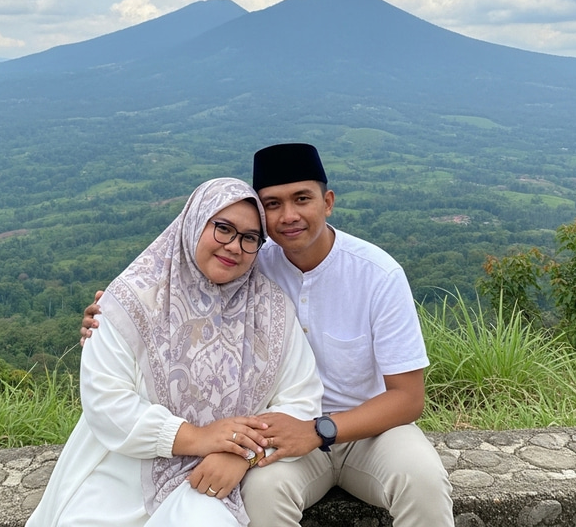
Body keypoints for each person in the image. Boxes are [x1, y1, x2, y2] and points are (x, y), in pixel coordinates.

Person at [83, 145, 454, 527]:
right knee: (263, 496)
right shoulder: (248, 262)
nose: (288, 216)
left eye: (302, 199)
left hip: (370, 432)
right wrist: (113, 317)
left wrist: (317, 430)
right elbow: (178, 292)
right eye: (273, 204)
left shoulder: (377, 275)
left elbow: (408, 400)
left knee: (423, 480)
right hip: (275, 439)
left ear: (327, 202)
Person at [30, 177, 322, 527]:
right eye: (223, 229)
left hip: (210, 479)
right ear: (194, 224)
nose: (234, 246)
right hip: (121, 473)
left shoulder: (271, 311)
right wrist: (196, 438)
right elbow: (107, 403)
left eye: (249, 238)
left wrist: (242, 453)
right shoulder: (131, 302)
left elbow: (300, 400)